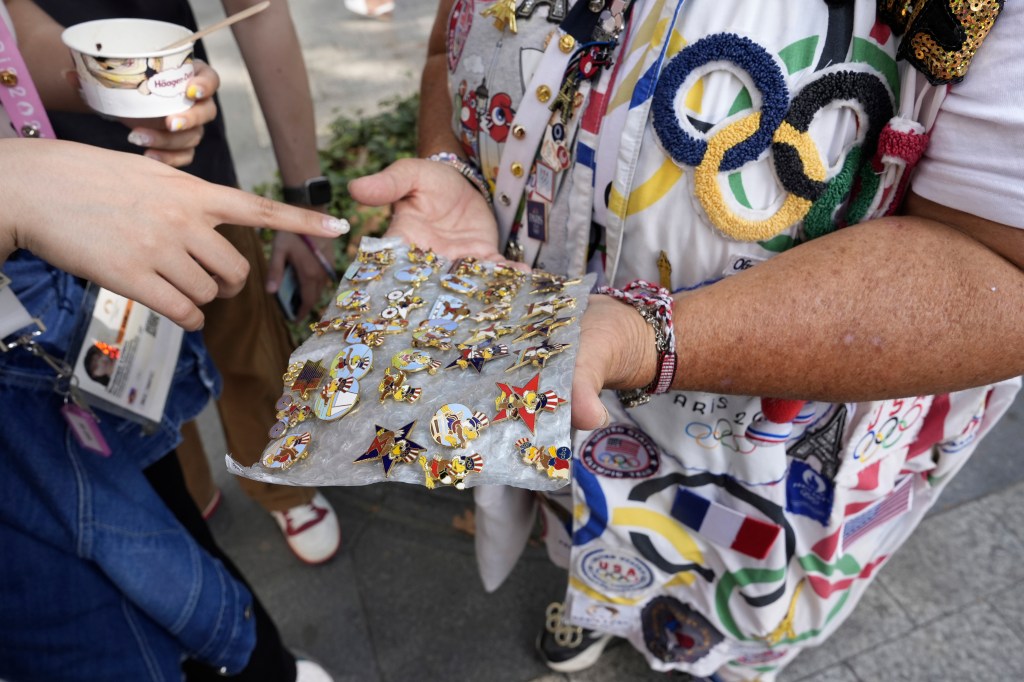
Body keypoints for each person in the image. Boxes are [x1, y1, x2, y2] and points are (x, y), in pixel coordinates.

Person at [349, 0, 1024, 678]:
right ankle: (598, 603)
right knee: (574, 511)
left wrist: (647, 338)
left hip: (773, 440)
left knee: (742, 588)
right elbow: (454, 41)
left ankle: (730, 657)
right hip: (552, 364)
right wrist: (453, 161)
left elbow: (1003, 270)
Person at [0, 135, 345, 681]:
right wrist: (12, 184)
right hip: (30, 345)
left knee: (166, 490)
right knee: (104, 604)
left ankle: (265, 639)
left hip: (62, 281)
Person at [13, 0, 343, 564]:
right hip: (69, 228)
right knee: (134, 378)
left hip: (198, 179)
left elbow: (259, 12)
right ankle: (188, 489)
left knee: (245, 346)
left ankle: (279, 481)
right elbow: (18, 37)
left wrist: (302, 190)